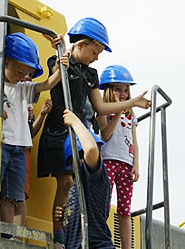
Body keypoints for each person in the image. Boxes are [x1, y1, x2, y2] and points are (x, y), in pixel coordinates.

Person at [37, 17, 151, 247]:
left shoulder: (91, 75)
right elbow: (52, 77)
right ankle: (59, 236)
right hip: (60, 130)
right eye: (95, 51)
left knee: (84, 181)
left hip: (79, 133)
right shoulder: (59, 60)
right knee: (66, 182)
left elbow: (100, 107)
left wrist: (132, 103)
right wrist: (61, 54)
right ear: (80, 45)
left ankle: (81, 231)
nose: (97, 57)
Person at [0, 32, 69, 232]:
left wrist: (61, 59)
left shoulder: (23, 88)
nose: (22, 77)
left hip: (20, 148)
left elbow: (48, 83)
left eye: (26, 73)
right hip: (1, 145)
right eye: (19, 72)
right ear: (6, 62)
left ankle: (13, 238)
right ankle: (0, 233)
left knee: (14, 196)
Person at [55, 109, 114, 249]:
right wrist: (66, 217)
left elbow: (91, 150)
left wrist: (75, 122)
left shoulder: (95, 178)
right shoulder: (76, 187)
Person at [96, 65, 140, 249]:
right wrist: (120, 110)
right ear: (108, 90)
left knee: (125, 211)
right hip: (108, 161)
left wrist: (136, 164)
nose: (122, 94)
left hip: (126, 164)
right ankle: (100, 241)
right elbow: (105, 135)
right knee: (104, 205)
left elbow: (134, 142)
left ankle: (126, 247)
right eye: (117, 90)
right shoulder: (104, 111)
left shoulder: (131, 116)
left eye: (125, 91)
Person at [13, 67, 53, 238]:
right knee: (6, 197)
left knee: (20, 195)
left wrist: (41, 115)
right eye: (24, 73)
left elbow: (30, 134)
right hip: (7, 147)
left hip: (22, 150)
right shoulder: (7, 93)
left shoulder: (28, 103)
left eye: (30, 75)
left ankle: (17, 237)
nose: (27, 78)